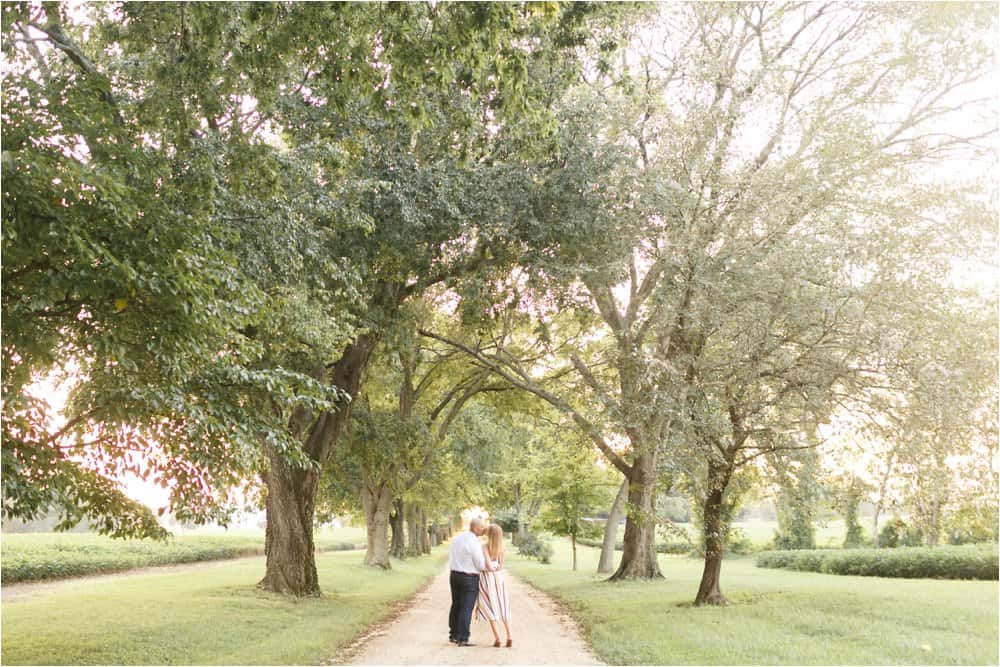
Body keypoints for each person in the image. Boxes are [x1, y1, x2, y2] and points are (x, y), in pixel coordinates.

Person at [448, 517, 490, 646]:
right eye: (482, 527)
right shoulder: (474, 543)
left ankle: (453, 634)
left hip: (454, 574)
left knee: (456, 605)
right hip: (469, 577)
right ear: (476, 528)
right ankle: (463, 637)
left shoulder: (457, 539)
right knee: (466, 607)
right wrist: (487, 567)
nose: (484, 530)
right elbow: (480, 564)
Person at [475, 523, 512, 648]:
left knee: (491, 606)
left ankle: (498, 639)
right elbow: (500, 566)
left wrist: (487, 567)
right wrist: (495, 568)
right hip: (498, 578)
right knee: (502, 605)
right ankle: (509, 636)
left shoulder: (485, 547)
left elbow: (488, 566)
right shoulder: (502, 547)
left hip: (487, 579)